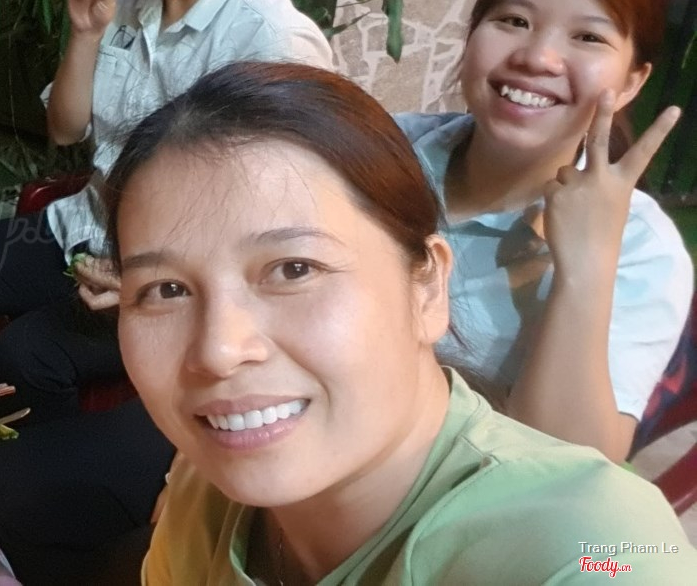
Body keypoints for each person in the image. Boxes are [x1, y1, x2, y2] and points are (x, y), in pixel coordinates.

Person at [109, 60, 695, 583]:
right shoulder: (205, 491)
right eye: (166, 290)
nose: (218, 350)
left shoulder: (598, 546)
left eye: (293, 269)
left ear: (428, 285)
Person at [0, 0, 334, 423]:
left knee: (29, 353)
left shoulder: (272, 40)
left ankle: (47, 463)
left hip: (182, 278)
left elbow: (283, 221)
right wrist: (86, 32)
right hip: (81, 227)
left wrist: (153, 279)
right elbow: (65, 129)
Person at [396, 0, 692, 461]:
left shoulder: (641, 248)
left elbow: (566, 467)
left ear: (632, 81)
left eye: (588, 37)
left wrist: (586, 265)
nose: (537, 57)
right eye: (514, 21)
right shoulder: (381, 151)